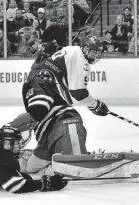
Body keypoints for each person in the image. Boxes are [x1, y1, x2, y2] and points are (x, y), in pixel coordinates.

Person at [22, 36, 109, 176]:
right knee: (65, 115)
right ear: (85, 49)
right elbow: (78, 93)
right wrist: (94, 104)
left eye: (97, 52)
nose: (95, 55)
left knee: (51, 116)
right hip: (48, 83)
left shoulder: (73, 50)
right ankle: (74, 152)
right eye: (93, 52)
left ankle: (57, 153)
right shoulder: (83, 63)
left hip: (39, 76)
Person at [0, 113, 68, 193]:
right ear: (7, 144)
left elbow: (5, 174)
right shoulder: (1, 158)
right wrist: (45, 184)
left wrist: (38, 178)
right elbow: (15, 186)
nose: (19, 146)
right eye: (16, 143)